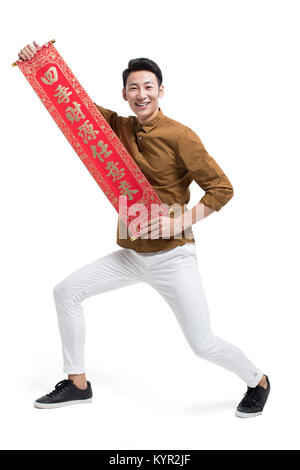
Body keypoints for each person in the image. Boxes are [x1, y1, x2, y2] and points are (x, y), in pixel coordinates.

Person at [18, 41, 270, 418]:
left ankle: (258, 380)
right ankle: (78, 382)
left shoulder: (180, 135)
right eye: (133, 88)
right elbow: (74, 106)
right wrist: (37, 63)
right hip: (132, 254)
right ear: (124, 93)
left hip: (172, 257)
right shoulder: (118, 127)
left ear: (161, 91)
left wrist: (180, 220)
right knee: (65, 292)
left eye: (148, 87)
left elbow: (222, 188)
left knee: (202, 344)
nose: (141, 94)